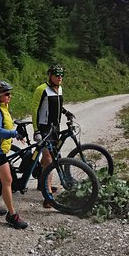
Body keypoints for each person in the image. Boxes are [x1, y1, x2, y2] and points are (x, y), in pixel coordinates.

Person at [0, 80, 28, 229]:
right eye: (6, 94)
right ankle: (12, 215)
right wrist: (14, 133)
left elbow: (5, 125)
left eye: (10, 94)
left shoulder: (2, 107)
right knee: (7, 181)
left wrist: (17, 131)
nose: (10, 96)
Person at [32, 64, 74, 208]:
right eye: (57, 75)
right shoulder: (41, 89)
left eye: (62, 75)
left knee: (51, 157)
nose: (60, 77)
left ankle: (42, 183)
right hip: (44, 129)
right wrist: (36, 130)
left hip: (55, 128)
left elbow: (56, 105)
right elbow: (35, 110)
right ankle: (47, 194)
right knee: (49, 159)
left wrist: (66, 112)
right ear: (50, 76)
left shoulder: (59, 89)